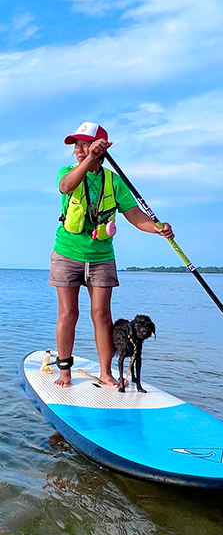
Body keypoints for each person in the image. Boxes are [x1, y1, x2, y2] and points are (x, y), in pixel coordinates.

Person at [48, 122, 174, 387]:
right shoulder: (67, 172)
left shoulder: (114, 181)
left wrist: (157, 228)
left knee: (102, 314)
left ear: (102, 148)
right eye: (77, 145)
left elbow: (134, 214)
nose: (79, 149)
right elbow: (65, 187)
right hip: (67, 252)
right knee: (68, 313)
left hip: (101, 257)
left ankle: (106, 372)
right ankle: (64, 371)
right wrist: (89, 158)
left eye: (85, 144)